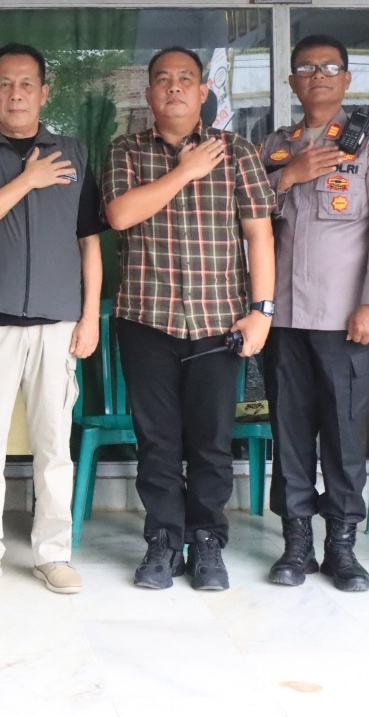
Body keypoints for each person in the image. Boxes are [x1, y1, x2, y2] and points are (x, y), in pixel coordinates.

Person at [102, 46, 276, 592]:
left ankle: (206, 542)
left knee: (210, 441)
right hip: (146, 318)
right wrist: (185, 171)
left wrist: (262, 311)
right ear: (149, 93)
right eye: (163, 79)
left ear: (204, 92)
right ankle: (162, 540)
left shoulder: (237, 151)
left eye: (185, 79)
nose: (173, 87)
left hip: (218, 322)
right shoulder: (126, 149)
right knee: (157, 441)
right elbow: (120, 215)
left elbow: (259, 235)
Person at [0, 43, 102, 596]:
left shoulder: (74, 153)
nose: (16, 93)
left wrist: (90, 316)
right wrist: (27, 180)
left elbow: (89, 241)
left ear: (44, 92)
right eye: (6, 84)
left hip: (58, 324)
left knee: (54, 446)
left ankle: (53, 555)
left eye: (27, 83)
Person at [259, 35, 369, 592]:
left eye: (329, 67)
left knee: (345, 435)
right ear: (291, 82)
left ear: (346, 79)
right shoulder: (275, 146)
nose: (317, 75)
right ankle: (296, 543)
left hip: (346, 318)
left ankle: (341, 547)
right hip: (283, 318)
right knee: (290, 432)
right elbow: (244, 215)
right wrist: (288, 176)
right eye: (306, 68)